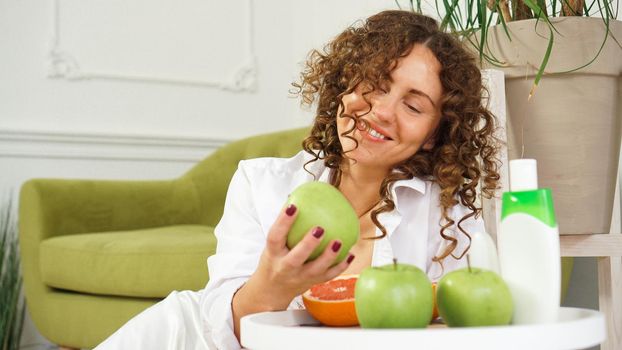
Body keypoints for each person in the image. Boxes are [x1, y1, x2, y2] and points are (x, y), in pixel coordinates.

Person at [95, 9, 499, 350]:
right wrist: (273, 283)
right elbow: (225, 333)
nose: (382, 111)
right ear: (345, 85)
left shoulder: (451, 217)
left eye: (412, 105)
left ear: (433, 136)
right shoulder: (260, 182)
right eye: (375, 84)